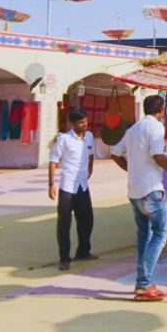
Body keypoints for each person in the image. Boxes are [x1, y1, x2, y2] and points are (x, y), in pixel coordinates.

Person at [111, 94, 167, 302]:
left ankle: (143, 282)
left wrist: (132, 169)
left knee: (144, 236)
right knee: (160, 234)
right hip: (151, 190)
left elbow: (115, 153)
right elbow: (157, 155)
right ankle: (144, 283)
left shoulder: (133, 129)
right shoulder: (156, 127)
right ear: (161, 111)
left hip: (135, 191)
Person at [49, 108, 96, 271]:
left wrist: (90, 169)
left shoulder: (89, 136)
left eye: (86, 121)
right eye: (81, 123)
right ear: (73, 124)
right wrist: (51, 184)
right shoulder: (64, 139)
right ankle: (64, 258)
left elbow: (91, 154)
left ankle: (83, 251)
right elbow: (54, 161)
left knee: (87, 219)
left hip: (83, 185)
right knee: (64, 223)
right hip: (68, 187)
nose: (84, 125)